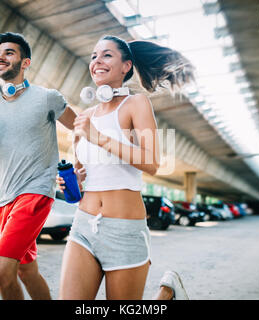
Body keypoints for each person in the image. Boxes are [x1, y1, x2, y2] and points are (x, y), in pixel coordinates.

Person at [57, 35, 195, 300]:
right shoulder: (86, 117)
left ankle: (167, 294)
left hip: (124, 230)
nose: (97, 60)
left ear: (126, 66)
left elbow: (152, 162)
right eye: (94, 56)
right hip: (83, 225)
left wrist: (99, 137)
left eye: (107, 55)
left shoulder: (136, 104)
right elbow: (81, 170)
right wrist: (72, 179)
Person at [0, 32, 77, 300]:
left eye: (9, 53)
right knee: (27, 272)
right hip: (2, 199)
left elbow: (82, 129)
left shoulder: (46, 97)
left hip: (35, 193)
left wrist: (79, 169)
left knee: (1, 270)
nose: (0, 57)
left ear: (25, 63)